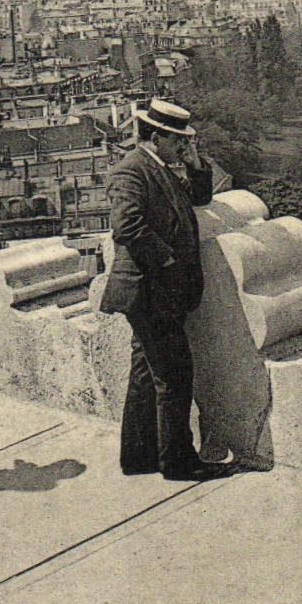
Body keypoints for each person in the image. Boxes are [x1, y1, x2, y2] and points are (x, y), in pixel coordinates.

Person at [100, 99, 234, 481]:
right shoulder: (131, 170)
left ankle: (139, 457)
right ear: (156, 137)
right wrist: (168, 262)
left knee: (147, 375)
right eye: (178, 141)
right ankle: (179, 462)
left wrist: (195, 164)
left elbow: (199, 198)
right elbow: (127, 226)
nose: (183, 147)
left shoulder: (158, 167)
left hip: (156, 292)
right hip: (148, 290)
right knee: (174, 375)